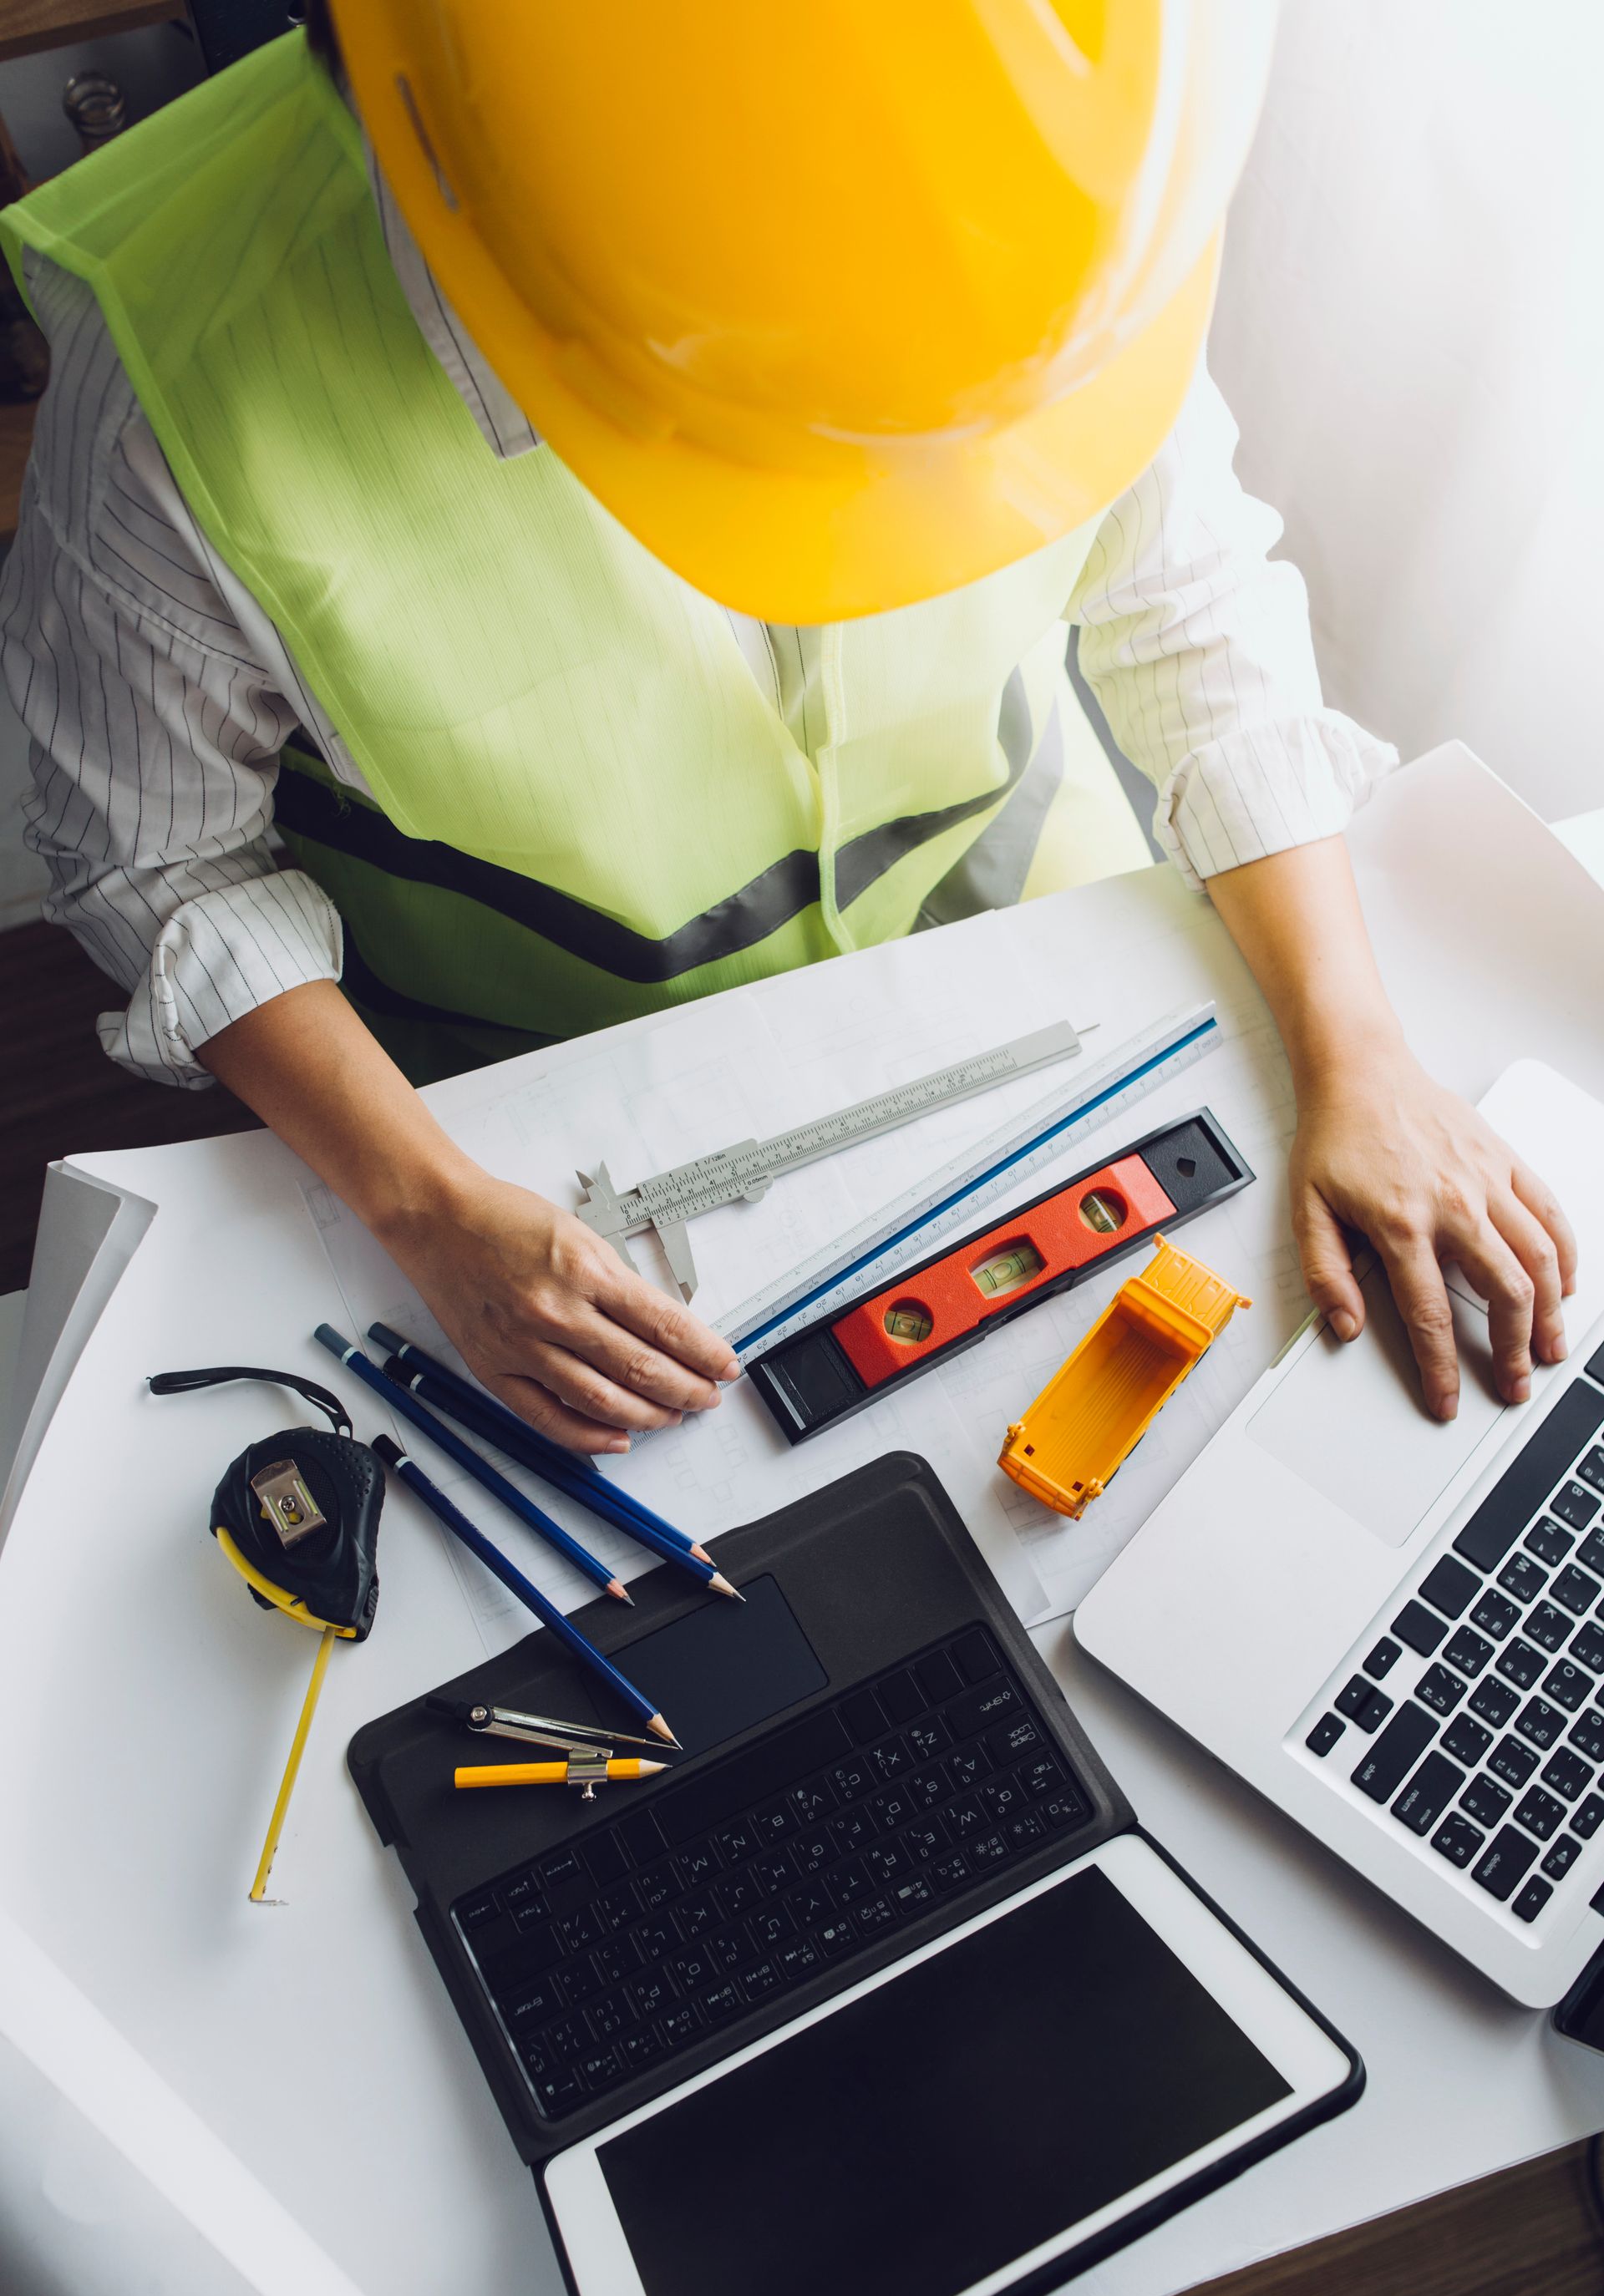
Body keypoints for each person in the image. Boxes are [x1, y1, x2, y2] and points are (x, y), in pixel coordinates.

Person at [0, 0, 1574, 1457]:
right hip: (543, 1093)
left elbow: (1187, 595)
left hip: (1043, 959)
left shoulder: (1044, 169)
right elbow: (160, 867)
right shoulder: (173, 406)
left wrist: (1357, 1050)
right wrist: (425, 1212)